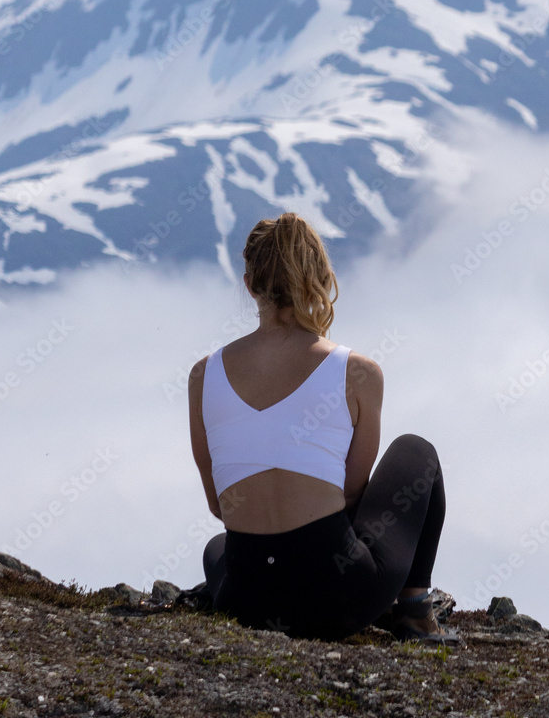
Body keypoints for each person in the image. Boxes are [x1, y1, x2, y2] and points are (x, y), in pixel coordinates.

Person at [187, 212, 453, 642]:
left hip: (245, 603)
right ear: (320, 278)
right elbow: (349, 494)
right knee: (417, 452)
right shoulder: (359, 373)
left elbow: (220, 506)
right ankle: (415, 613)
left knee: (218, 550)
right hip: (338, 601)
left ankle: (264, 589)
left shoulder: (203, 376)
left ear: (250, 285)